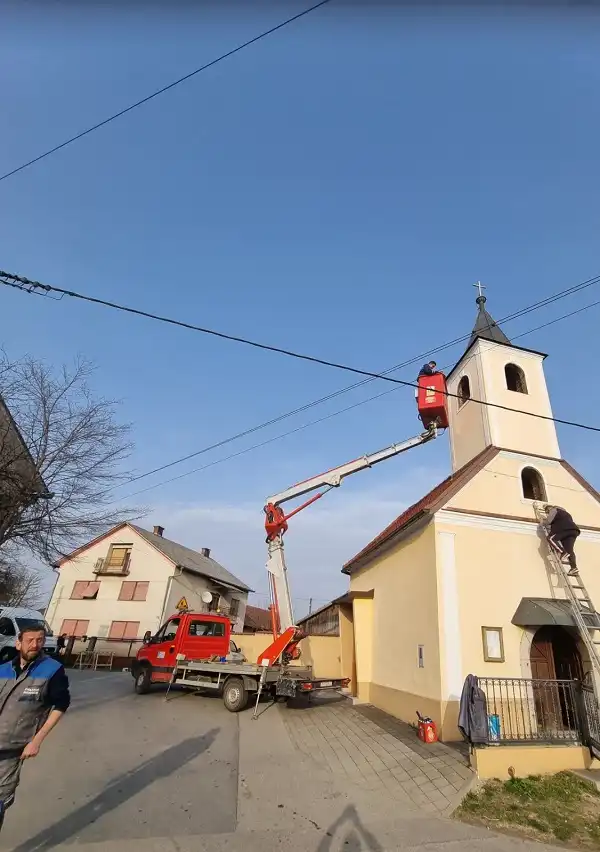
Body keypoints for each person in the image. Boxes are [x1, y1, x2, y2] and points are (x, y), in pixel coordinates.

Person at [0, 625, 70, 831]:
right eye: (30, 640)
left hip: (12, 748)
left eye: (39, 640)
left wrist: (36, 741)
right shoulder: (3, 669)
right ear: (18, 642)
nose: (35, 645)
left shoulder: (52, 670)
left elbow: (61, 705)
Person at [542, 505, 581, 576]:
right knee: (569, 550)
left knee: (550, 538)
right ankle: (574, 567)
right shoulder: (567, 514)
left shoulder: (554, 510)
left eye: (547, 511)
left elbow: (548, 521)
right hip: (573, 531)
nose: (547, 513)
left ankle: (562, 552)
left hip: (564, 529)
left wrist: (543, 522)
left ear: (549, 508)